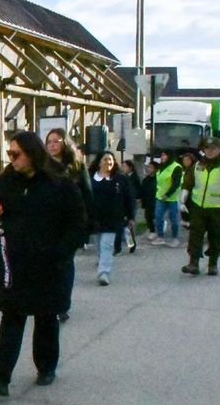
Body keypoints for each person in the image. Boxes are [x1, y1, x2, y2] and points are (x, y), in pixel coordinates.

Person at [0, 131, 86, 396]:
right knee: (12, 317)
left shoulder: (59, 182)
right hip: (14, 264)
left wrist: (61, 254)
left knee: (46, 318)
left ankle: (46, 368)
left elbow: (78, 223)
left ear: (32, 154)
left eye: (16, 154)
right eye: (9, 154)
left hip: (49, 265)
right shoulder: (5, 182)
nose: (12, 159)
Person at [181, 137, 220, 277]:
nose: (209, 151)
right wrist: (182, 201)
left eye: (213, 148)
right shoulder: (197, 166)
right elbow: (187, 184)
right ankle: (193, 263)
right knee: (195, 234)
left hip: (218, 208)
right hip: (198, 207)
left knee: (216, 235)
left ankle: (213, 263)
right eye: (207, 148)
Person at [45, 128, 89, 323]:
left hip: (70, 223)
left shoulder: (76, 166)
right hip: (48, 223)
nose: (52, 145)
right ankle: (51, 301)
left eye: (56, 141)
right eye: (49, 141)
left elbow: (87, 194)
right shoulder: (43, 166)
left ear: (65, 143)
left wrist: (87, 225)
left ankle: (63, 304)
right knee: (49, 265)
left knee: (65, 263)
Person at [89, 152, 136, 285]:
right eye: (105, 160)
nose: (108, 162)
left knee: (107, 245)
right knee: (98, 245)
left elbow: (129, 197)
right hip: (95, 218)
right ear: (99, 162)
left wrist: (131, 216)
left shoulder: (120, 179)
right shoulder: (91, 178)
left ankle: (104, 273)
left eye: (110, 160)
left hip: (113, 218)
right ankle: (101, 261)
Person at [153, 150, 183, 247]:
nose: (162, 157)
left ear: (169, 156)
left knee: (173, 218)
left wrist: (168, 194)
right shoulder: (161, 167)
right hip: (160, 197)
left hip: (172, 198)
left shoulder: (176, 167)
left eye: (164, 155)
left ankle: (175, 238)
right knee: (158, 216)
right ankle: (160, 236)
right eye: (161, 155)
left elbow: (176, 183)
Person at [139, 159, 158, 239]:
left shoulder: (158, 179)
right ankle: (152, 231)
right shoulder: (145, 180)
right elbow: (142, 191)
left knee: (156, 216)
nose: (149, 169)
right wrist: (141, 201)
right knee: (148, 216)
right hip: (148, 202)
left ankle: (157, 229)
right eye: (148, 167)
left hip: (156, 201)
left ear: (156, 169)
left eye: (151, 167)